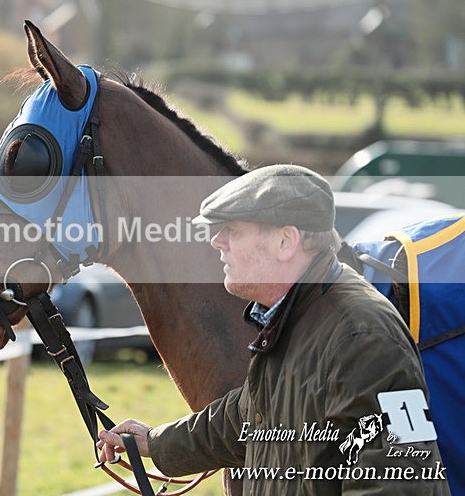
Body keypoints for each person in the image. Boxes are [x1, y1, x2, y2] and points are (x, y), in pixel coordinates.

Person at [97, 164, 450, 495]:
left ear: (285, 241)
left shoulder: (363, 337)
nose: (218, 242)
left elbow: (399, 479)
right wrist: (155, 442)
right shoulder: (294, 316)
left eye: (233, 231)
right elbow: (245, 419)